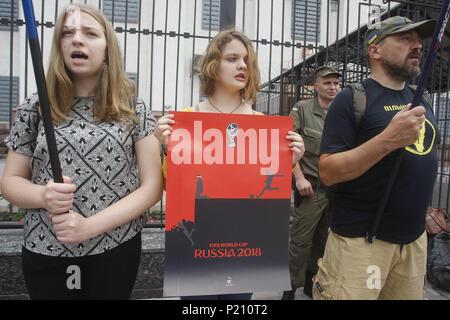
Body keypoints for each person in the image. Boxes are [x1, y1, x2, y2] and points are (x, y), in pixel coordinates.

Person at [1, 4, 163, 299]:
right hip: (47, 247)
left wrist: (88, 227)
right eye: (68, 33)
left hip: (116, 247)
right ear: (59, 46)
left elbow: (152, 188)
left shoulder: (134, 108)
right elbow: (10, 182)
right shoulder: (35, 106)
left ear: (107, 49)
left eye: (90, 33)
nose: (77, 40)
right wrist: (42, 195)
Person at [155, 29, 305, 300]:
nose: (242, 66)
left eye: (246, 60)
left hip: (244, 245)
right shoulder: (187, 119)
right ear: (213, 65)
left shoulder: (262, 125)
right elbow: (172, 190)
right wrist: (168, 151)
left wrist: (289, 164)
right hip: (198, 245)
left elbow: (266, 192)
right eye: (232, 58)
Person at [313, 16, 439, 300]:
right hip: (361, 243)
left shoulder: (422, 99)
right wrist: (388, 139)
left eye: (418, 40)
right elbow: (328, 172)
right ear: (375, 51)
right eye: (405, 39)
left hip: (413, 242)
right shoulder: (352, 98)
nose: (417, 45)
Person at [282, 66, 340, 300]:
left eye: (336, 83)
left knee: (324, 241)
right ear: (316, 86)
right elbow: (287, 148)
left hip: (336, 190)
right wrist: (299, 178)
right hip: (310, 188)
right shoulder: (302, 110)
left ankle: (311, 283)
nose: (333, 87)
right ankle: (289, 288)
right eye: (327, 83)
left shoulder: (342, 111)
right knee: (300, 242)